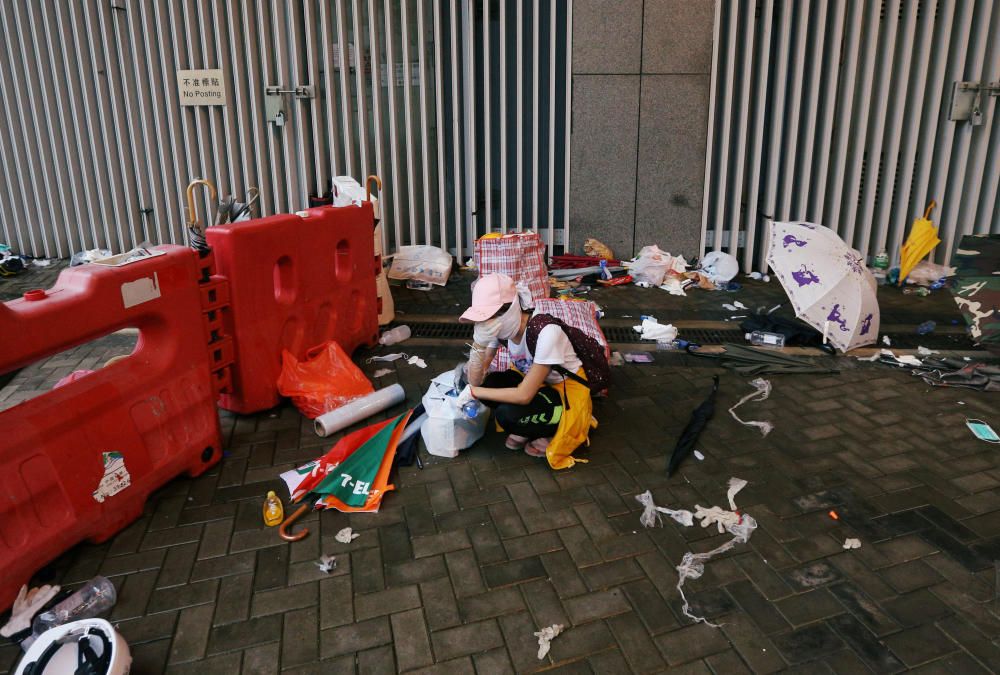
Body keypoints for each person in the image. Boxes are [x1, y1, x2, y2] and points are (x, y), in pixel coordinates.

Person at [456, 274, 595, 468]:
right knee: (491, 384)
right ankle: (532, 425)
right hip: (538, 384)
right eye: (483, 319)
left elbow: (524, 395)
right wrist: (478, 346)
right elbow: (476, 380)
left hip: (564, 393)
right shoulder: (499, 328)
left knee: (508, 414)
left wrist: (473, 392)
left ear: (510, 308)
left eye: (489, 316)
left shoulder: (546, 332)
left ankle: (551, 430)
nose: (485, 323)